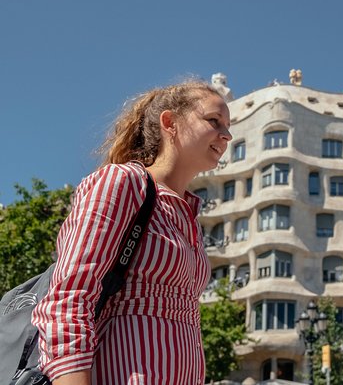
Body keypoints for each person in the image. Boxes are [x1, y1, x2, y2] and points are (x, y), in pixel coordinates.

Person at [31, 79, 232, 385]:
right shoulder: (123, 183)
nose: (226, 135)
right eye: (214, 121)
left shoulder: (188, 215)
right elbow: (69, 299)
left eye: (228, 126)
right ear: (170, 123)